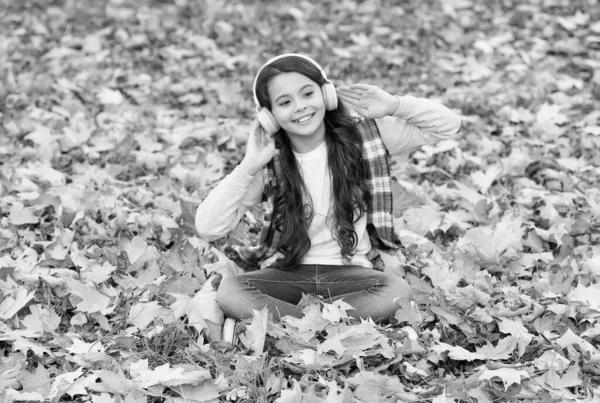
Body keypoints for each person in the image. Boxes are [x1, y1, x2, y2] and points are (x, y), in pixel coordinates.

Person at [195, 53, 461, 328]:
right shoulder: (268, 163)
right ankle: (323, 325)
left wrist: (395, 105)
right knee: (231, 291)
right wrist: (247, 166)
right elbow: (207, 227)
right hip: (287, 275)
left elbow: (447, 125)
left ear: (327, 94)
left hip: (352, 275)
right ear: (268, 116)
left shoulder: (365, 139)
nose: (300, 107)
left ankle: (291, 324)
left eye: (307, 93)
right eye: (285, 102)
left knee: (397, 292)